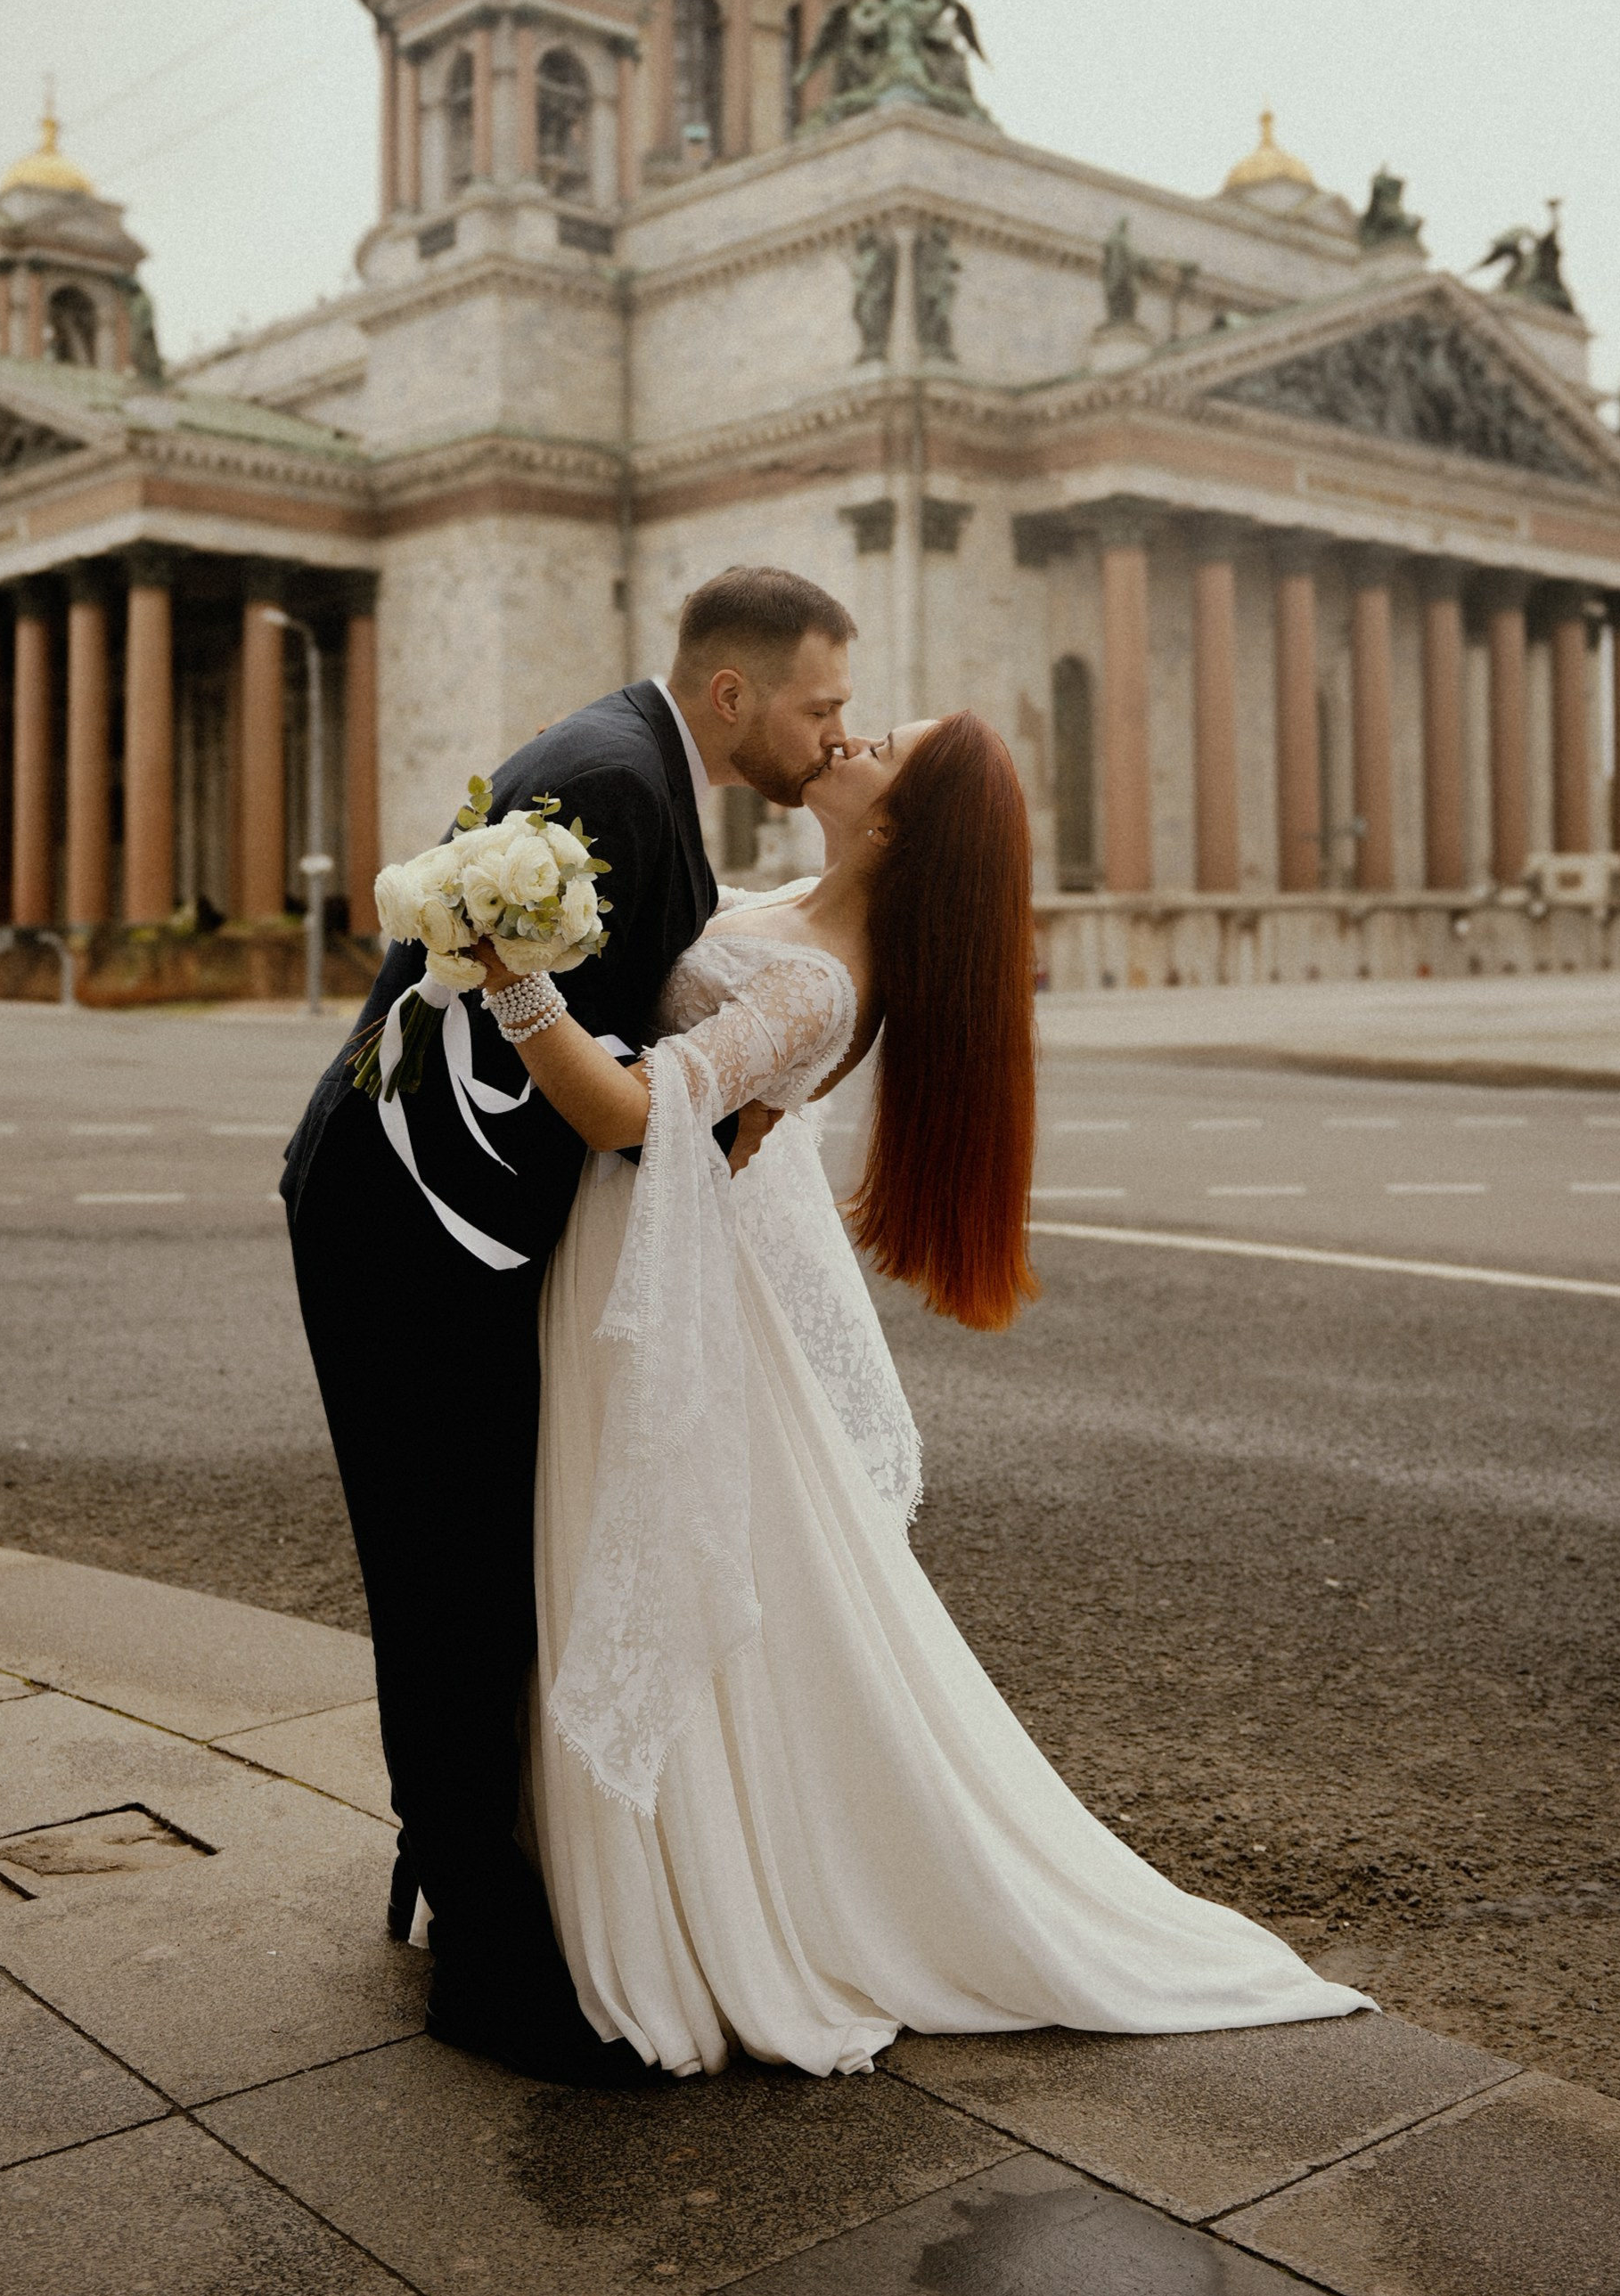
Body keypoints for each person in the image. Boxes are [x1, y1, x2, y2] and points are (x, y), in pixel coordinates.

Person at [471, 711, 1373, 2076]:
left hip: (653, 1265)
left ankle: (701, 1901)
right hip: (647, 1255)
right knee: (644, 1561)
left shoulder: (826, 982)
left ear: (903, 822)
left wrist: (512, 974)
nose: (848, 734)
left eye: (883, 740)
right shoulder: (799, 908)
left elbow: (625, 1112)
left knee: (650, 1559)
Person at [280, 568, 856, 2087]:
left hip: (447, 1222)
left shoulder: (636, 772)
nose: (832, 732)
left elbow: (600, 1027)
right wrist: (691, 1114)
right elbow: (519, 1035)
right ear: (731, 694)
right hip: (407, 1223)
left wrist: (705, 1102)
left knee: (474, 1572)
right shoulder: (613, 781)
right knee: (451, 1580)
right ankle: (485, 1966)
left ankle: (449, 1859)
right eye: (820, 705)